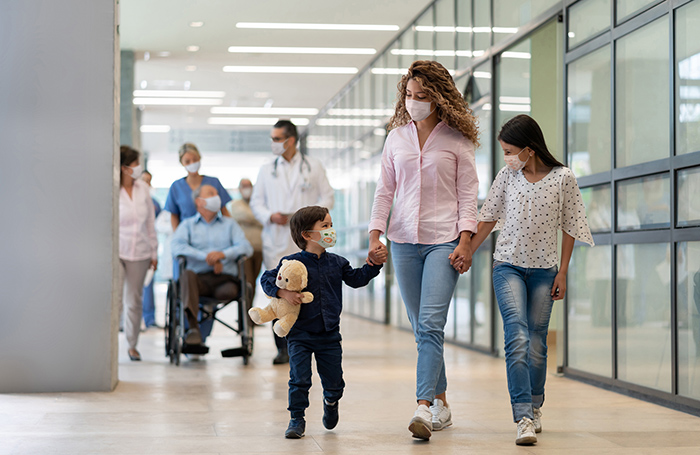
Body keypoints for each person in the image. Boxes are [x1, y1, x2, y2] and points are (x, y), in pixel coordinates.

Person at [367, 60, 479, 441]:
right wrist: (375, 234)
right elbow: (385, 191)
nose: (414, 102)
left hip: (444, 240)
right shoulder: (395, 138)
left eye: (422, 96)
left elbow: (468, 195)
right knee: (421, 329)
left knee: (431, 324)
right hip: (403, 242)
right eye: (410, 96)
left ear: (439, 97)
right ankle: (442, 401)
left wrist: (466, 239)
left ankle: (424, 407)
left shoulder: (457, 140)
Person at [468, 114, 594, 446]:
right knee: (517, 336)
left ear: (529, 148)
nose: (507, 157)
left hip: (544, 271)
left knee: (537, 344)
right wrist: (466, 250)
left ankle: (536, 406)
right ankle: (522, 415)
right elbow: (488, 217)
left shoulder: (564, 177)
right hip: (507, 265)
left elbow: (571, 225)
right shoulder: (507, 176)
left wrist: (563, 271)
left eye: (510, 150)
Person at [260, 206, 382, 439]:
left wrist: (373, 265)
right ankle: (296, 419)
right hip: (300, 334)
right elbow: (267, 278)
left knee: (335, 381)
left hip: (329, 335)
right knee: (299, 379)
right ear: (306, 235)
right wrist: (282, 293)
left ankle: (331, 400)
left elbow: (356, 279)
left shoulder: (338, 262)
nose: (331, 230)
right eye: (325, 226)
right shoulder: (291, 262)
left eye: (331, 225)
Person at [250, 120, 335, 365]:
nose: (273, 143)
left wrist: (310, 218)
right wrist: (269, 216)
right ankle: (282, 347)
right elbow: (257, 202)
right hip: (276, 238)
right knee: (279, 293)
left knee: (308, 290)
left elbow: (328, 195)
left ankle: (306, 342)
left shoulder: (313, 166)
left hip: (306, 239)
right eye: (273, 138)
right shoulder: (267, 170)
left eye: (277, 139)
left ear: (291, 140)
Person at [171, 185, 253, 346]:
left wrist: (222, 255)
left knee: (231, 290)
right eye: (211, 193)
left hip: (224, 281)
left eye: (216, 193)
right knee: (187, 276)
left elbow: (246, 247)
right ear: (199, 202)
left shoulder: (230, 224)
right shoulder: (187, 225)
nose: (217, 196)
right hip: (198, 281)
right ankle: (193, 329)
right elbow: (176, 247)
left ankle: (242, 336)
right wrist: (207, 257)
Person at [118, 146, 158, 361]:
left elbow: (150, 222)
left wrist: (154, 251)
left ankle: (132, 345)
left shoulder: (143, 188)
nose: (138, 168)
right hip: (117, 252)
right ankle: (108, 346)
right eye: (134, 164)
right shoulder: (112, 188)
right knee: (115, 299)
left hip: (141, 251)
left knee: (134, 301)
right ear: (124, 168)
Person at [165, 142, 232, 232]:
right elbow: (174, 216)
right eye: (187, 161)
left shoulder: (214, 183)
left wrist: (231, 230)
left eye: (195, 159)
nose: (192, 163)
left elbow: (224, 211)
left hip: (214, 233)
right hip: (187, 235)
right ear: (182, 163)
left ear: (200, 158)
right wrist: (177, 238)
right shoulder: (176, 187)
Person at [230, 178, 264, 303]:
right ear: (239, 189)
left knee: (254, 282)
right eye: (244, 186)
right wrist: (257, 219)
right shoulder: (235, 204)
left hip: (259, 248)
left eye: (249, 185)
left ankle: (250, 316)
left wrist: (255, 219)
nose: (247, 188)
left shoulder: (258, 204)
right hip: (244, 250)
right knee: (247, 281)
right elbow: (243, 215)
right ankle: (245, 315)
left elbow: (264, 219)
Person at [141, 170, 161, 328]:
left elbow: (156, 226)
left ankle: (149, 319)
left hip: (149, 249)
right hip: (132, 249)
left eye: (149, 180)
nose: (146, 184)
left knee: (148, 285)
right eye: (143, 180)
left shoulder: (155, 204)